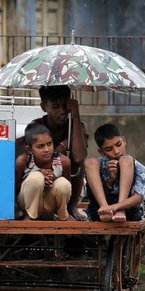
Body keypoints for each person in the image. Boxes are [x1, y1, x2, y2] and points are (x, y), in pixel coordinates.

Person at [29, 85, 89, 220]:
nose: (62, 111)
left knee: (81, 163)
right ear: (44, 107)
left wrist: (75, 114)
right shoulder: (36, 126)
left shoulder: (76, 126)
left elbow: (79, 157)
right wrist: (63, 146)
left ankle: (71, 206)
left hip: (71, 187)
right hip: (44, 184)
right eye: (55, 107)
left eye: (65, 106)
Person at [84, 123, 145, 222]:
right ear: (101, 152)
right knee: (89, 162)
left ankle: (120, 211)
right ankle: (105, 208)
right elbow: (90, 195)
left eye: (118, 144)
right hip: (100, 211)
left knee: (126, 160)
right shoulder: (100, 165)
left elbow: (138, 197)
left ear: (124, 141)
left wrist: (116, 207)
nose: (116, 151)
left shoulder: (137, 166)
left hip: (128, 211)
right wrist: (110, 181)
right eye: (109, 149)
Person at [15, 122, 72, 221]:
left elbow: (68, 189)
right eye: (40, 146)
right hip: (26, 204)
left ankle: (62, 215)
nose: (47, 149)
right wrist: (38, 177)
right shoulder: (23, 161)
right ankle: (30, 216)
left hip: (49, 205)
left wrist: (53, 179)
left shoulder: (64, 162)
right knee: (36, 177)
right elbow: (14, 189)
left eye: (49, 144)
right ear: (29, 149)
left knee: (63, 183)